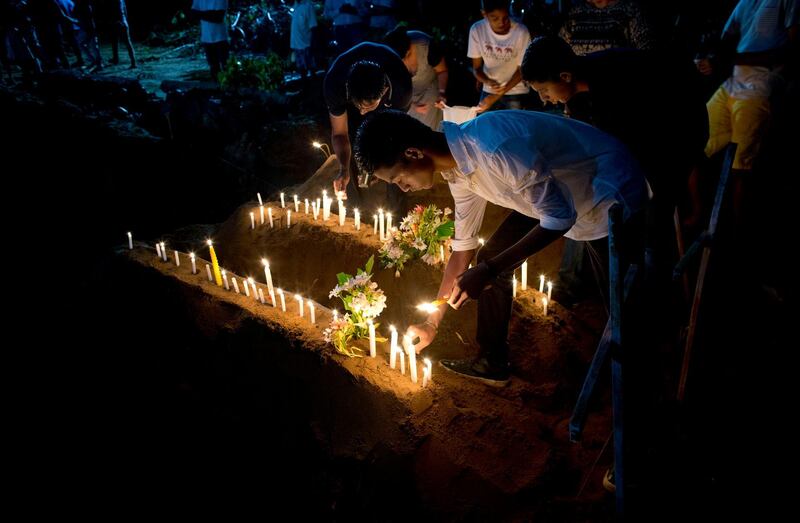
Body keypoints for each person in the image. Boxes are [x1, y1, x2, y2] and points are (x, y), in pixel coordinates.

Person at [354, 109, 648, 384]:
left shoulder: (493, 149)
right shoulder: (458, 171)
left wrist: (489, 269)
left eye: (398, 178)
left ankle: (641, 394)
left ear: (413, 153)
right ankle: (491, 360)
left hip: (606, 192)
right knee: (492, 255)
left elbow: (560, 217)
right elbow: (462, 249)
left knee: (623, 308)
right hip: (551, 196)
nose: (402, 188)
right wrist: (433, 321)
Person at [521, 36, 708, 304]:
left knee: (651, 218)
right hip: (645, 140)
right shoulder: (578, 97)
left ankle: (655, 299)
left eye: (543, 90)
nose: (543, 99)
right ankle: (629, 288)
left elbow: (632, 146)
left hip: (678, 132)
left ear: (565, 75)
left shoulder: (617, 83)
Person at [691, 0, 798, 227]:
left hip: (761, 83)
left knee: (742, 164)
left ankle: (739, 227)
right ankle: (698, 213)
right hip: (733, 81)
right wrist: (709, 58)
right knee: (694, 145)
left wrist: (728, 59)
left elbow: (791, 50)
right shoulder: (745, 2)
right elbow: (726, 39)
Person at [323, 42, 412, 203]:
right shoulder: (334, 83)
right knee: (349, 154)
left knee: (391, 162)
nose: (363, 112)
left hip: (387, 109)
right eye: (359, 106)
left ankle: (396, 208)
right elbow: (340, 133)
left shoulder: (401, 89)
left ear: (384, 91)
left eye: (367, 107)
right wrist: (343, 168)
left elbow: (396, 134)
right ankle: (354, 200)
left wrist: (380, 165)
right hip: (351, 92)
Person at [468, 0, 531, 112]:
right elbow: (476, 68)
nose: (501, 23)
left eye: (505, 17)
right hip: (489, 90)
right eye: (494, 18)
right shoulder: (477, 30)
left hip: (516, 90)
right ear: (484, 14)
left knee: (513, 127)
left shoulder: (521, 32)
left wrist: (495, 97)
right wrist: (487, 81)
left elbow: (522, 71)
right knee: (485, 125)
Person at [384, 25, 448, 130]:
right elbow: (390, 90)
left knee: (429, 133)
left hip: (430, 91)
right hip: (405, 97)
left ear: (410, 49)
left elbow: (442, 71)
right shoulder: (389, 58)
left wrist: (441, 93)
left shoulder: (426, 45)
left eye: (408, 56)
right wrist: (410, 105)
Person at [559, 0, 653, 56]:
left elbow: (645, 50)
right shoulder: (576, 11)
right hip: (581, 81)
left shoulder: (629, 8)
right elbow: (561, 46)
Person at [191, 0, 229, 81]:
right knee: (214, 68)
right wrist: (209, 14)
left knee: (225, 67)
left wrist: (200, 14)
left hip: (221, 37)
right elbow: (193, 13)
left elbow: (218, 17)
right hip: (207, 37)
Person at [290, 0, 317, 78]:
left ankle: (315, 86)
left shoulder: (308, 6)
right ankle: (306, 87)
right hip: (297, 44)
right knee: (302, 69)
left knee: (311, 68)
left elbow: (313, 27)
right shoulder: (296, 5)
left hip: (306, 44)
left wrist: (313, 44)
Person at [107, 0, 136, 68]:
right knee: (123, 42)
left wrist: (119, 21)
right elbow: (125, 12)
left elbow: (119, 11)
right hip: (123, 23)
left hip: (118, 23)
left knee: (118, 42)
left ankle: (131, 62)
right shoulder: (122, 1)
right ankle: (132, 62)